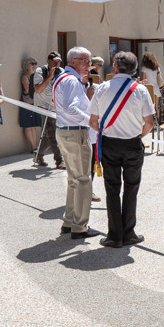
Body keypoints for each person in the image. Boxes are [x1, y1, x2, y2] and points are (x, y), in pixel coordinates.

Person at [88, 51, 155, 248]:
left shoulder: (101, 88)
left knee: (112, 189)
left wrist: (108, 131)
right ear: (134, 69)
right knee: (131, 189)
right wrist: (137, 135)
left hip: (109, 144)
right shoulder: (140, 90)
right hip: (133, 144)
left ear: (115, 67)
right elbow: (149, 122)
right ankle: (129, 233)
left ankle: (114, 236)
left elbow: (93, 121)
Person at [53, 47, 98, 239]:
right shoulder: (71, 81)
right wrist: (91, 121)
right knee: (82, 180)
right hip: (74, 133)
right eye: (85, 61)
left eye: (89, 62)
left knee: (74, 180)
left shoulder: (65, 79)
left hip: (65, 132)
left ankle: (69, 222)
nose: (89, 65)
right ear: (73, 62)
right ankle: (80, 227)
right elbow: (72, 109)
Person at [32, 51, 65, 169]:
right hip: (43, 106)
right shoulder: (40, 71)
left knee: (47, 134)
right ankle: (59, 160)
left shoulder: (61, 72)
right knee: (52, 132)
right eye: (54, 61)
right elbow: (38, 90)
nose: (57, 64)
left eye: (59, 61)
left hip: (55, 106)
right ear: (48, 62)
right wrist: (50, 77)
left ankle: (38, 155)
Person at [17, 57, 43, 157]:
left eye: (35, 63)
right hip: (27, 102)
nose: (34, 66)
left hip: (34, 102)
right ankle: (32, 147)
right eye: (32, 64)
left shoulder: (34, 76)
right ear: (27, 65)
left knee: (33, 126)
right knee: (28, 125)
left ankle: (35, 146)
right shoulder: (25, 76)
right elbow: (28, 90)